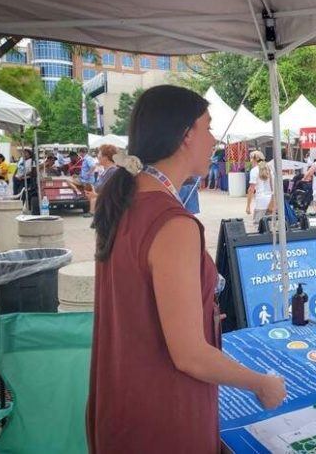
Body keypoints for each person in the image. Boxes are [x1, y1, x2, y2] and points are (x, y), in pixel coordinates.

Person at [87, 85, 286, 452]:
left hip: (122, 400)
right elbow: (189, 354)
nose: (214, 140)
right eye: (208, 127)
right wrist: (261, 383)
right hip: (163, 413)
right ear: (185, 134)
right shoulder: (173, 223)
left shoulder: (123, 200)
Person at [246, 150, 275, 227]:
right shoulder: (270, 169)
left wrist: (248, 206)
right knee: (271, 227)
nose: (250, 161)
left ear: (254, 159)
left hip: (261, 202)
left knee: (259, 227)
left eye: (250, 158)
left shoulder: (254, 171)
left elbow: (251, 189)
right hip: (272, 202)